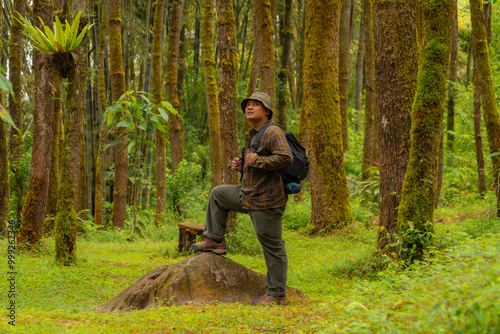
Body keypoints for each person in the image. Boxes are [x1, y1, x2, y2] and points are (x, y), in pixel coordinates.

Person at [191, 91, 293, 305]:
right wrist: (242, 166)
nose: (250, 107)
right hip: (249, 194)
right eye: (248, 104)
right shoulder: (254, 134)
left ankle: (276, 294)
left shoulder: (273, 132)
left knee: (273, 247)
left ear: (267, 110)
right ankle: (215, 241)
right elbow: (256, 163)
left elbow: (285, 157)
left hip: (267, 201)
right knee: (219, 194)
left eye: (256, 104)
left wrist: (256, 161)